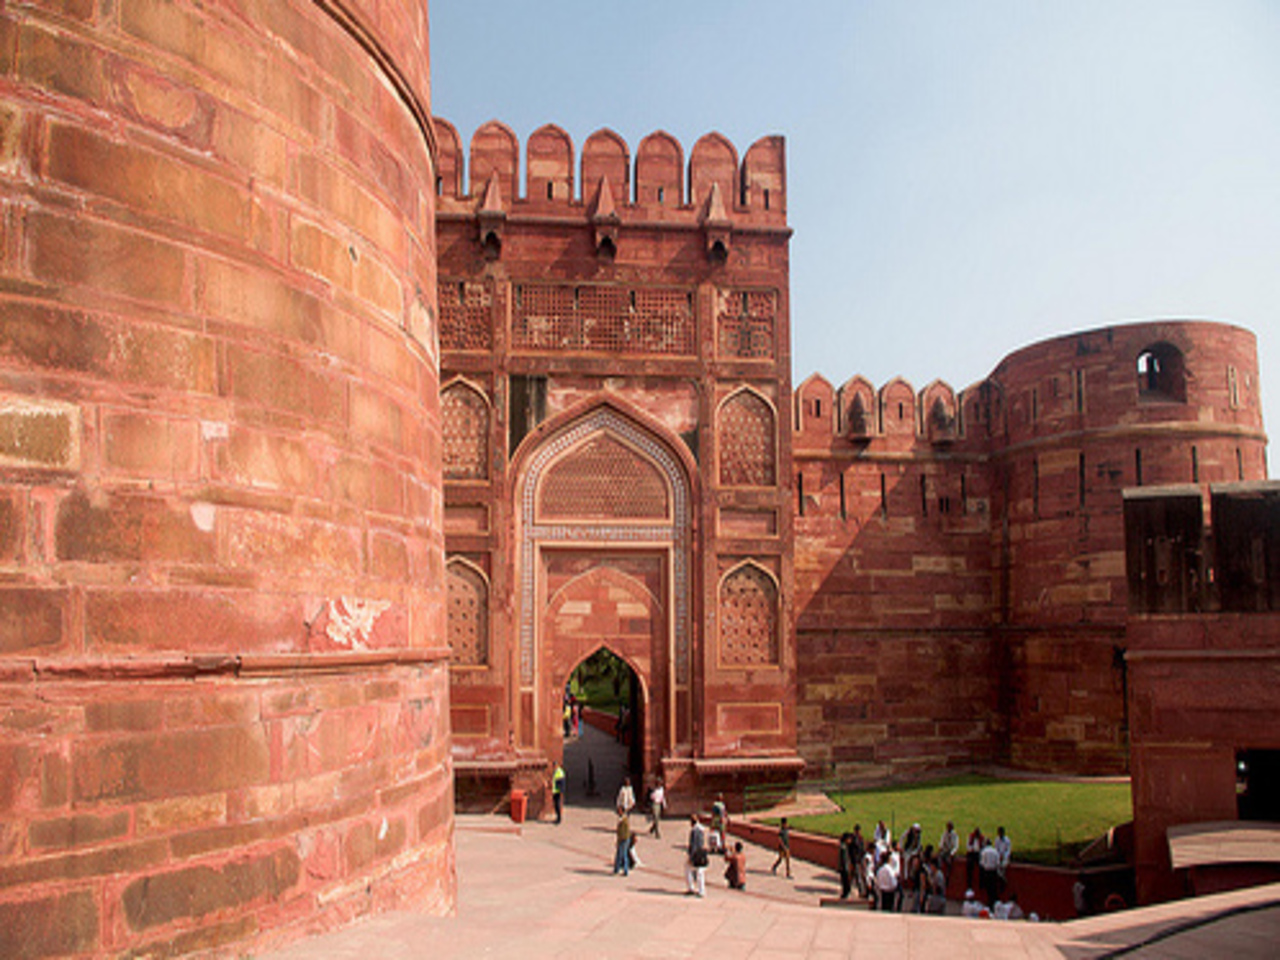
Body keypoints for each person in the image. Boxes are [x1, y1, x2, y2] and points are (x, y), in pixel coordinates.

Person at [686, 815, 708, 896]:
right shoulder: (701, 829)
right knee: (699, 872)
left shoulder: (695, 831)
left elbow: (694, 844)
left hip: (696, 854)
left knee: (691, 870)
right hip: (701, 853)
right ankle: (700, 889)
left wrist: (691, 856)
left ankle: (692, 888)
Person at [979, 835, 1000, 906]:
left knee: (988, 889)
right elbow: (998, 863)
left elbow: (982, 863)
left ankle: (990, 903)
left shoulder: (984, 851)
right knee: (993, 889)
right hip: (993, 872)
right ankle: (993, 902)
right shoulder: (995, 851)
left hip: (987, 872)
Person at [938, 820, 959, 886]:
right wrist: (941, 848)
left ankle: (947, 876)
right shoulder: (945, 834)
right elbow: (941, 842)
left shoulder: (955, 835)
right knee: (939, 859)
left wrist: (952, 854)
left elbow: (956, 846)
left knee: (949, 862)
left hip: (950, 852)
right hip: (945, 851)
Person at [851, 825, 868, 898]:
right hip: (856, 859)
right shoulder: (855, 839)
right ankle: (861, 890)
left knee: (858, 875)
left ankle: (861, 890)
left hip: (859, 859)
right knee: (858, 876)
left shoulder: (860, 838)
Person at [994, 826, 1012, 894]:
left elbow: (1008, 850)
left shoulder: (1007, 840)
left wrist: (1004, 856)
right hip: (999, 857)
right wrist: (999, 856)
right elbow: (996, 849)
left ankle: (1002, 880)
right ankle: (1002, 880)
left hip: (1005, 858)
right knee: (997, 867)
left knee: (1003, 866)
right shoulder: (997, 840)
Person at [613, 811, 631, 876]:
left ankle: (620, 870)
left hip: (624, 839)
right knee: (622, 854)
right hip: (623, 839)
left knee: (621, 855)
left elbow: (624, 832)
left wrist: (620, 839)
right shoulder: (622, 819)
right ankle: (620, 869)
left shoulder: (624, 820)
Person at [837, 832, 855, 899]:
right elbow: (844, 859)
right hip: (844, 868)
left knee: (845, 881)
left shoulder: (844, 846)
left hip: (844, 867)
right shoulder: (844, 847)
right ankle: (845, 893)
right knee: (846, 881)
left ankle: (846, 893)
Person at [966, 826, 984, 890]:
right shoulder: (971, 837)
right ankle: (969, 883)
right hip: (971, 853)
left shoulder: (982, 838)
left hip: (979, 854)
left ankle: (981, 883)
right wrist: (972, 849)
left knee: (982, 866)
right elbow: (968, 847)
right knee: (969, 865)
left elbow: (983, 848)